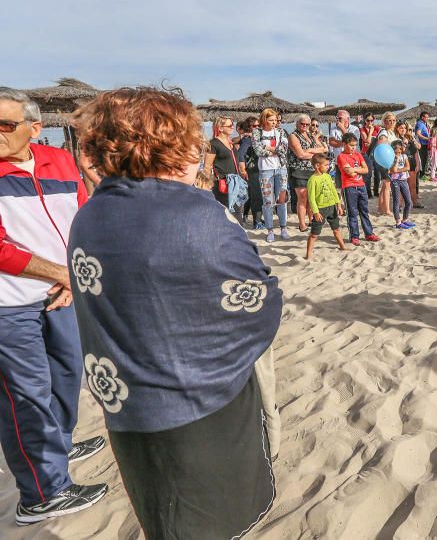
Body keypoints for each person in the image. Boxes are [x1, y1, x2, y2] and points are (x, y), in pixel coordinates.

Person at [70, 86, 280, 538]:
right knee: (207, 520)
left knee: (163, 516)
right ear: (174, 147)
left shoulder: (90, 214)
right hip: (198, 406)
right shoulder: (195, 214)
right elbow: (258, 302)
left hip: (128, 407)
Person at [0, 89, 109, 526]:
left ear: (34, 127)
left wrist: (70, 277)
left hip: (61, 294)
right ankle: (43, 492)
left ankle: (59, 443)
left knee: (66, 377)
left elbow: (80, 219)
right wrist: (62, 273)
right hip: (9, 305)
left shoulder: (60, 162)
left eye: (6, 125)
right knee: (25, 397)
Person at [252, 108, 290, 243]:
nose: (274, 123)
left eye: (275, 120)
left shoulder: (280, 131)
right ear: (264, 120)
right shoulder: (257, 132)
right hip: (265, 170)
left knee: (282, 200)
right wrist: (273, 151)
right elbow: (257, 151)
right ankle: (270, 230)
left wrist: (267, 148)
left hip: (281, 168)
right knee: (267, 202)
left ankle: (283, 228)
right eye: (271, 120)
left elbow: (283, 150)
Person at [337, 133, 379, 245]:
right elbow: (349, 173)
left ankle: (369, 233)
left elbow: (366, 170)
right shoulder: (341, 156)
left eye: (355, 145)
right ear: (344, 144)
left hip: (361, 186)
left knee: (364, 211)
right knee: (352, 213)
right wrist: (358, 169)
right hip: (349, 187)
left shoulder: (358, 155)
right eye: (351, 145)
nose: (353, 147)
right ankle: (354, 236)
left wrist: (354, 169)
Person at [288, 114, 326, 231]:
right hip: (298, 170)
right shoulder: (293, 136)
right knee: (303, 197)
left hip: (312, 170)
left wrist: (309, 150)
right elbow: (300, 154)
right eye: (302, 123)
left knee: (311, 197)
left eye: (307, 124)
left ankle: (311, 220)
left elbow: (324, 149)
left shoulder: (310, 135)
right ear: (297, 123)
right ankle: (302, 224)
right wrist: (315, 154)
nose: (304, 126)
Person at [305, 153, 346, 258]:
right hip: (320, 209)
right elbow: (311, 198)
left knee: (336, 229)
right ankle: (308, 254)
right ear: (317, 165)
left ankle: (342, 247)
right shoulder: (312, 180)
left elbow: (333, 190)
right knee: (314, 234)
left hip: (332, 207)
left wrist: (339, 205)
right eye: (326, 165)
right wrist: (316, 212)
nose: (328, 167)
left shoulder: (327, 176)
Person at [204, 116, 239, 207]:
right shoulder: (213, 143)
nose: (232, 127)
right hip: (222, 183)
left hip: (234, 183)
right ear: (220, 128)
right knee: (227, 212)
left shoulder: (230, 143)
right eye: (230, 125)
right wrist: (206, 185)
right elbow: (207, 166)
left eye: (232, 125)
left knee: (237, 213)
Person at [237, 117, 264, 228]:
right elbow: (241, 153)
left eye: (258, 126)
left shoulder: (254, 137)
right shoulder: (248, 139)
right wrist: (243, 170)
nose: (257, 128)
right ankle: (257, 222)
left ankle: (254, 219)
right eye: (254, 126)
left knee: (253, 196)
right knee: (257, 197)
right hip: (253, 170)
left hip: (257, 169)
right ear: (248, 127)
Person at [327, 110, 360, 187]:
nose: (337, 120)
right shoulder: (333, 129)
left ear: (347, 119)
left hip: (352, 162)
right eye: (337, 118)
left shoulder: (355, 129)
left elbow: (353, 141)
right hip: (339, 162)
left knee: (352, 184)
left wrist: (342, 128)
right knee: (340, 185)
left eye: (340, 118)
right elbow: (332, 143)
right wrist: (347, 143)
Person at [389, 140, 415, 229]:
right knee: (396, 202)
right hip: (395, 181)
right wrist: (396, 160)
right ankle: (398, 222)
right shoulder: (391, 158)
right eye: (396, 152)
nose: (398, 153)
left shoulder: (404, 156)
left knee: (408, 201)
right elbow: (392, 169)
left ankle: (405, 219)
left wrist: (398, 170)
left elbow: (408, 167)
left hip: (403, 180)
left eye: (399, 151)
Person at [415, 111, 431, 179]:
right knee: (423, 160)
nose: (427, 118)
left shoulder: (423, 124)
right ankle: (422, 175)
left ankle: (423, 175)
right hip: (422, 144)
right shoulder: (420, 124)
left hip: (424, 144)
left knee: (425, 160)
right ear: (422, 117)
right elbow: (418, 134)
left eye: (428, 117)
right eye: (426, 117)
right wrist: (427, 138)